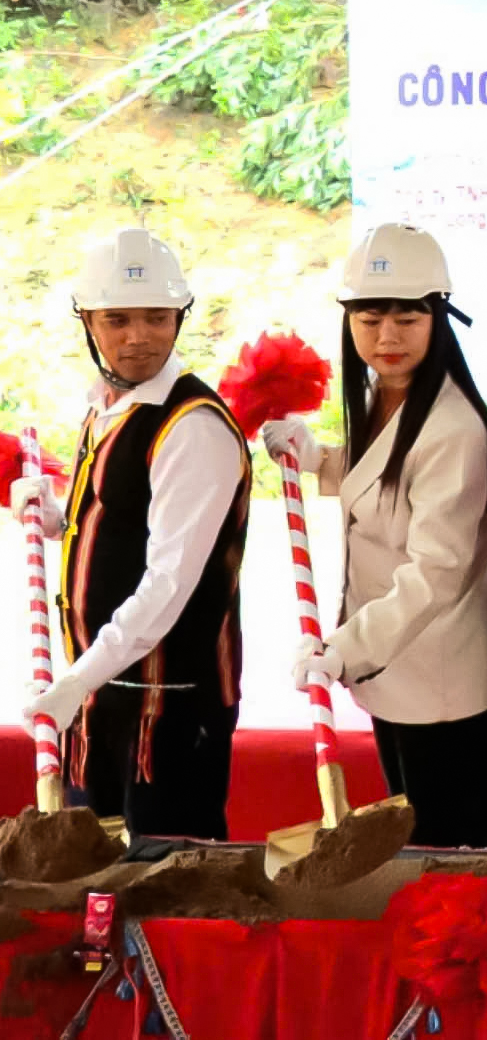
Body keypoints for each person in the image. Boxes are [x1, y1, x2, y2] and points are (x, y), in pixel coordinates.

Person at [258, 224, 487, 849]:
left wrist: (344, 648)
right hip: (397, 669)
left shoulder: (453, 425)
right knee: (414, 836)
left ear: (439, 318)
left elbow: (435, 572)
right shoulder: (385, 392)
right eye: (370, 319)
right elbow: (386, 479)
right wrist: (318, 459)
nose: (387, 337)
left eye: (407, 318)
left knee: (445, 851)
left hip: (439, 674)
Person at [12, 229, 250, 839]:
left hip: (170, 711)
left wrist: (75, 680)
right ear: (88, 322)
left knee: (169, 884)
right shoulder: (110, 404)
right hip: (107, 696)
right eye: (117, 319)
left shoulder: (192, 428)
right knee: (101, 877)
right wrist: (53, 514)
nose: (138, 336)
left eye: (156, 317)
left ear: (180, 317)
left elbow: (167, 584)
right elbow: (116, 523)